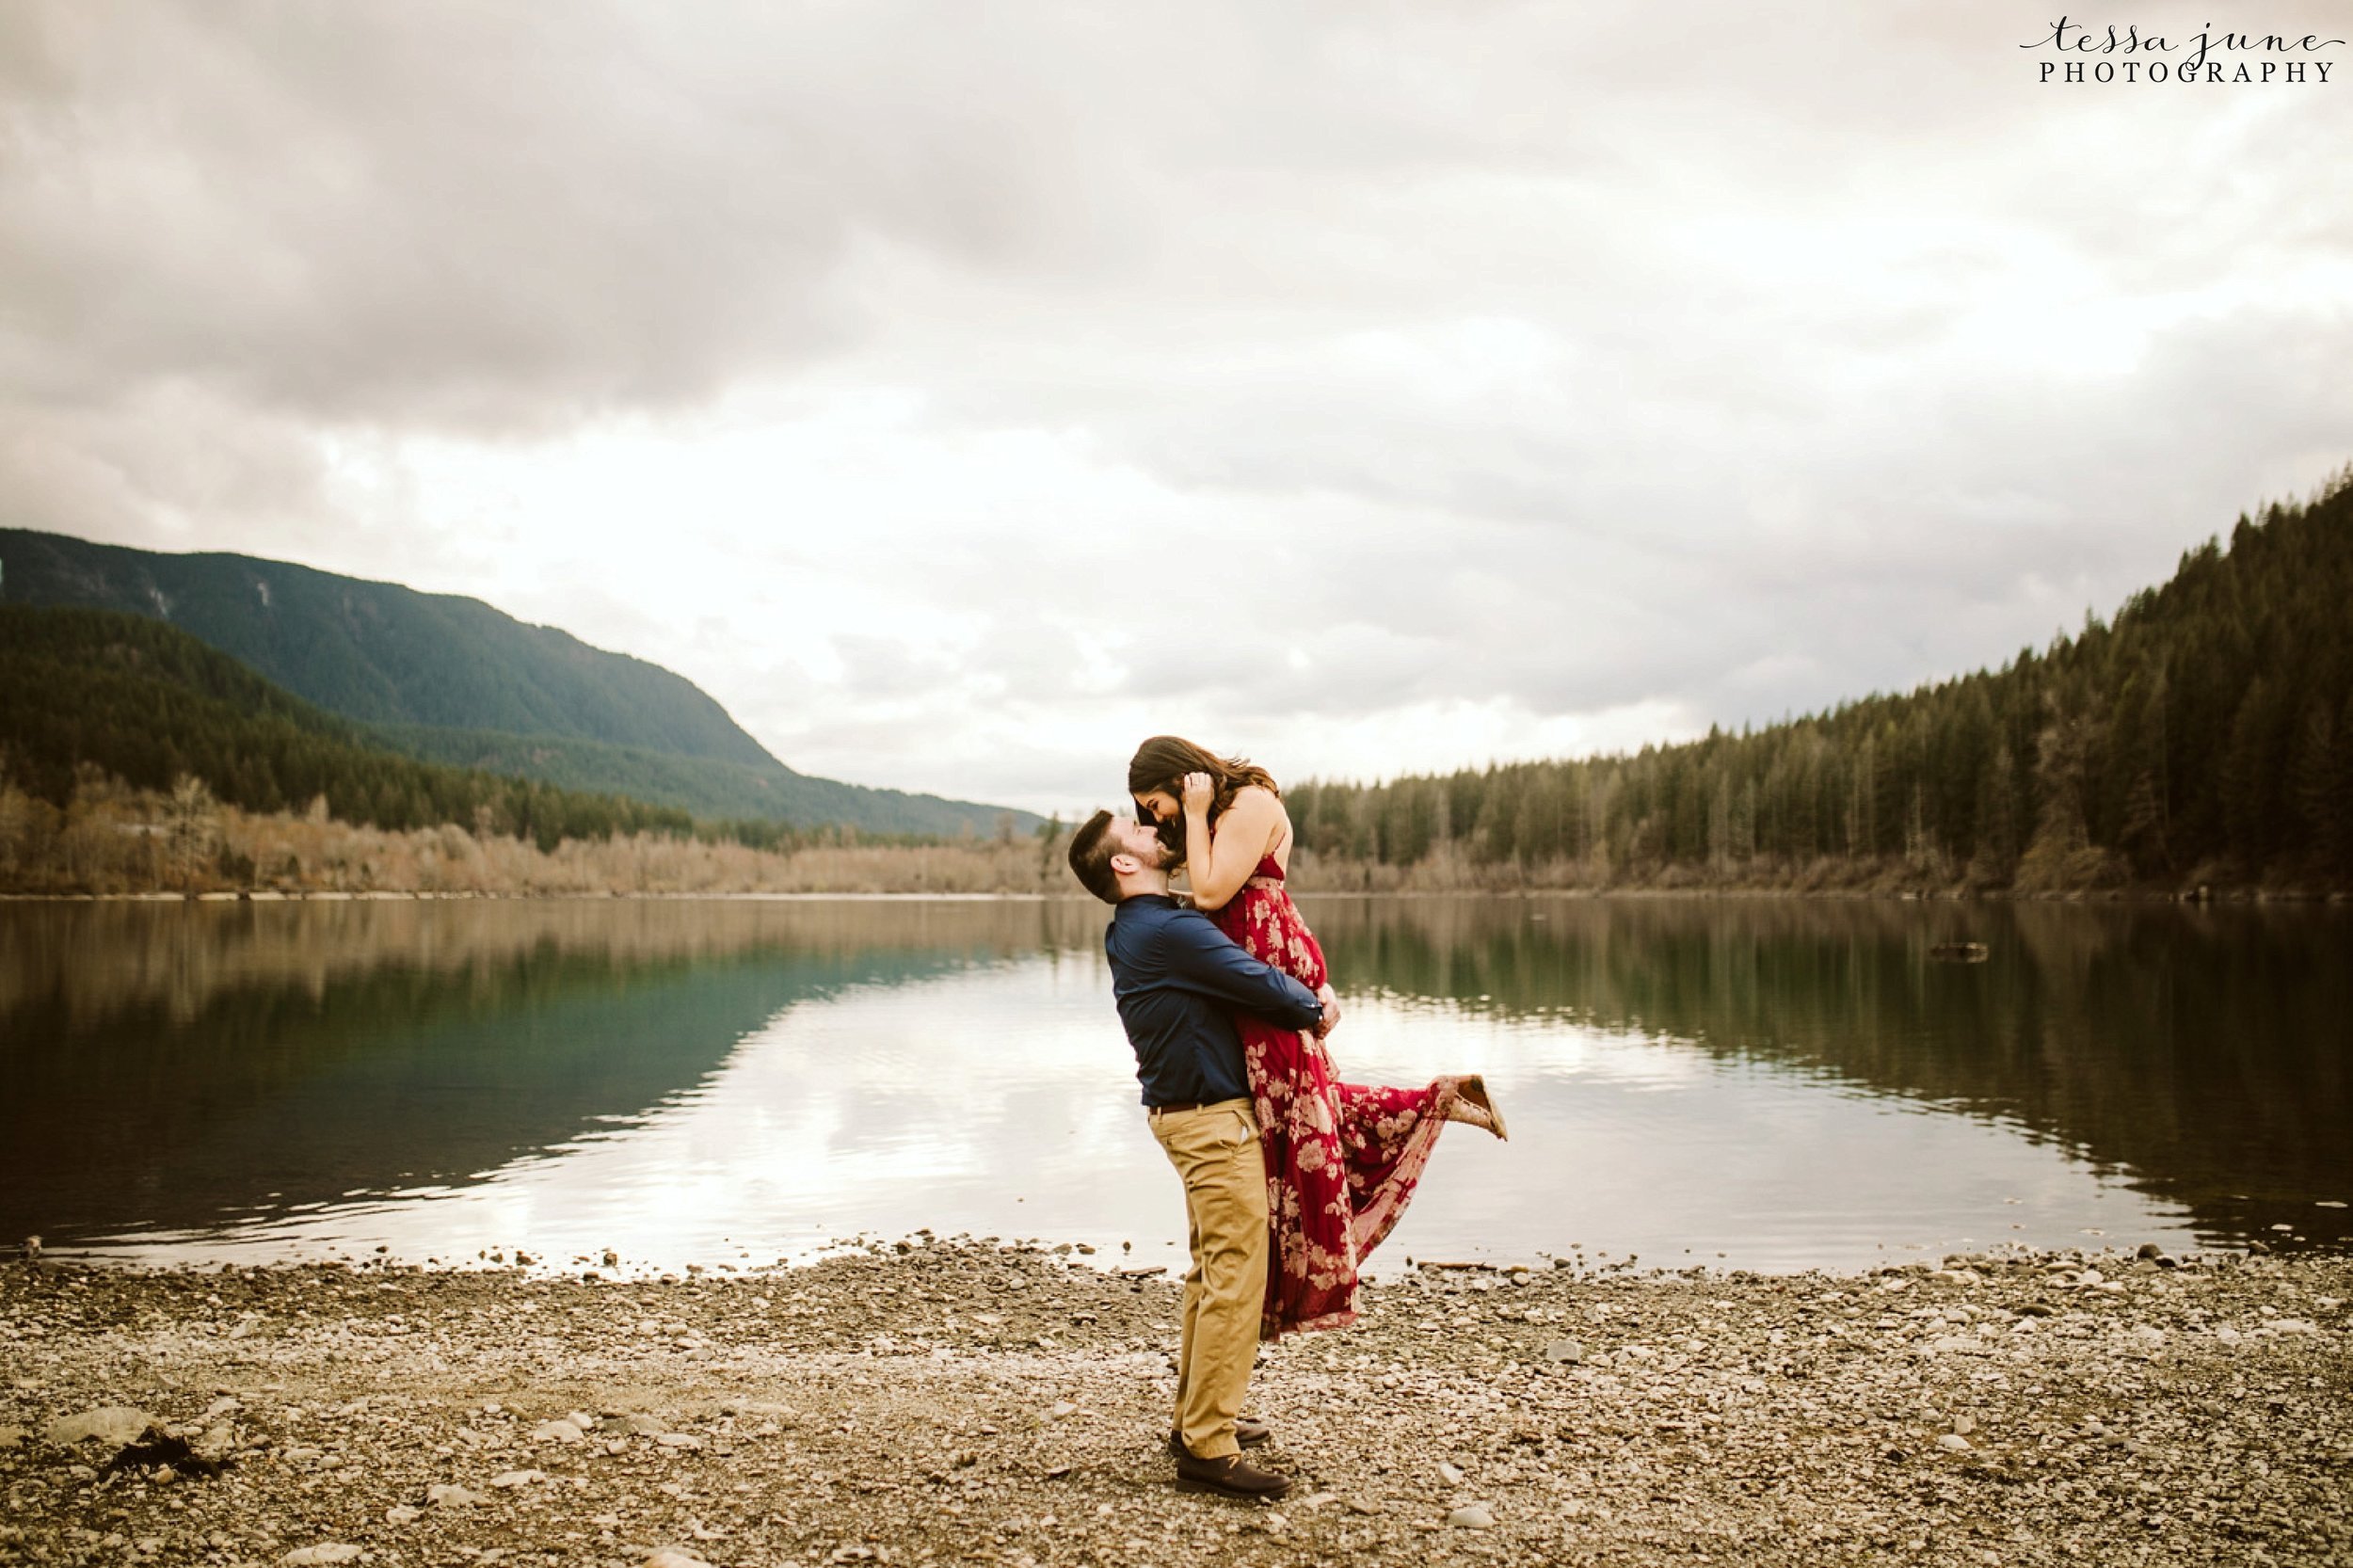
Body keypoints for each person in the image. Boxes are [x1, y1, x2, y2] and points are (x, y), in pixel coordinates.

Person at [1128, 735, 1507, 1340]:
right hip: (1244, 973)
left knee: (1299, 1116)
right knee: (1307, 1104)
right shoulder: (1209, 820)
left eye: (1155, 802)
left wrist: (1195, 816)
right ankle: (1440, 1096)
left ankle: (1434, 1102)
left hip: (1266, 967)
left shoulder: (1247, 803)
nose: (1157, 817)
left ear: (1180, 779)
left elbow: (1208, 893)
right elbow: (1178, 881)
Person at [1065, 807, 1337, 1500]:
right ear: (1124, 864)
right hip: (1212, 1122)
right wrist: (1315, 1007)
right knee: (1237, 1278)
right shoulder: (1168, 928)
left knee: (1211, 1271)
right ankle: (1207, 1449)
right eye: (1140, 834)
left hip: (1184, 1115)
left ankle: (1196, 1419)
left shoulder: (1134, 929)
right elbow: (1252, 981)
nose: (1155, 835)